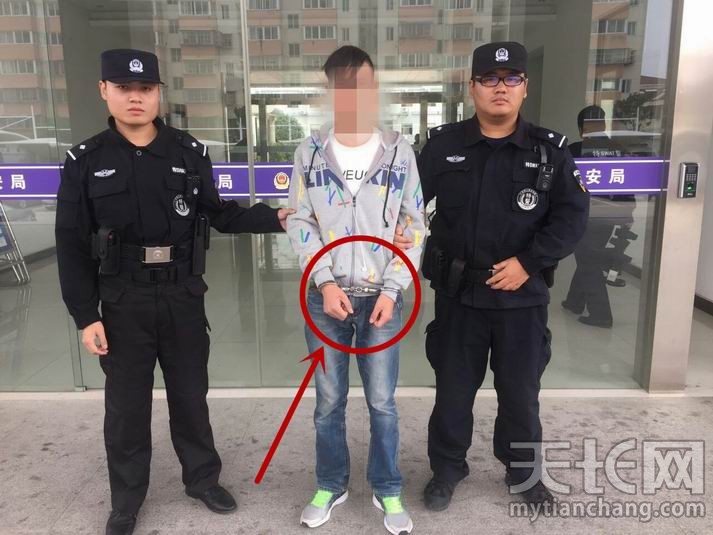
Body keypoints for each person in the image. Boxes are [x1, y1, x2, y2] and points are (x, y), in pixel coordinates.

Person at [54, 49, 293, 535]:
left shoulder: (189, 153)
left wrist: (276, 218)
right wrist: (85, 315)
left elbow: (219, 213)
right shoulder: (86, 160)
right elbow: (71, 243)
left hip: (182, 295)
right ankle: (126, 501)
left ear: (158, 93)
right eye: (124, 88)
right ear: (104, 91)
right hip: (123, 301)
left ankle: (202, 480)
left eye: (145, 89)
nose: (135, 97)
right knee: (126, 407)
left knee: (190, 396)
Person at [412, 41, 589, 510]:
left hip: (521, 298)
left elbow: (571, 218)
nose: (500, 88)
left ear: (525, 88)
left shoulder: (549, 152)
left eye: (511, 79)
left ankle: (524, 473)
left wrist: (528, 262)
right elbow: (405, 210)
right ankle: (447, 469)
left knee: (520, 394)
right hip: (459, 296)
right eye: (489, 79)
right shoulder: (442, 147)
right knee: (453, 392)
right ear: (472, 87)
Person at [286, 46, 424, 535]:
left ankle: (387, 488)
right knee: (328, 401)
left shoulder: (398, 152)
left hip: (381, 299)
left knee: (382, 402)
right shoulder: (309, 152)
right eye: (342, 87)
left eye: (360, 86)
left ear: (374, 88)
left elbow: (415, 224)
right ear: (329, 91)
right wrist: (323, 282)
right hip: (325, 299)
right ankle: (331, 484)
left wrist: (392, 289)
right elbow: (300, 221)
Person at [563, 105, 636, 327]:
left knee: (588, 261)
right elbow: (627, 186)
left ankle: (601, 314)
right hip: (610, 215)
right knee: (588, 256)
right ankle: (574, 301)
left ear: (581, 129)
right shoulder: (618, 149)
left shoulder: (574, 150)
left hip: (584, 215)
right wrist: (628, 213)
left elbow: (564, 186)